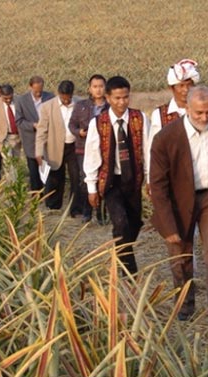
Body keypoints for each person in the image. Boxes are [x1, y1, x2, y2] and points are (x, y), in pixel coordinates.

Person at [150, 86, 208, 333]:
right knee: (179, 253)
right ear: (186, 109)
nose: (205, 118)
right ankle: (185, 305)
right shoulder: (165, 138)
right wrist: (167, 225)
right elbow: (158, 187)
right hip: (178, 200)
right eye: (199, 113)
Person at [84, 76, 148, 275]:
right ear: (108, 98)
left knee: (134, 222)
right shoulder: (99, 123)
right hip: (111, 182)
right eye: (117, 98)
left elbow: (148, 149)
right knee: (120, 222)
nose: (122, 102)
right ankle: (129, 272)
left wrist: (150, 178)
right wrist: (91, 188)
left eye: (126, 98)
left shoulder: (140, 119)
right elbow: (92, 155)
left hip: (134, 180)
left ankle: (119, 250)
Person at [35, 80, 81, 214]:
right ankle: (53, 207)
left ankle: (75, 208)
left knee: (76, 178)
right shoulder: (47, 107)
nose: (66, 101)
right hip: (54, 147)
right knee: (55, 177)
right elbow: (41, 131)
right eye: (63, 98)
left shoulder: (79, 103)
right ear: (58, 93)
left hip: (74, 146)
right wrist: (39, 152)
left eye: (69, 98)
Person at [68, 74, 108, 224]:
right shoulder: (81, 106)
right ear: (89, 89)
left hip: (105, 149)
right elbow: (72, 124)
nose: (98, 90)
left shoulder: (110, 106)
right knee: (86, 180)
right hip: (83, 149)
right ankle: (87, 211)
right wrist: (79, 132)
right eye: (95, 87)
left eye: (101, 86)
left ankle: (101, 213)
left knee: (102, 181)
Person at [147, 59, 200, 148]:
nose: (186, 90)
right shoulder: (159, 115)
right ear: (172, 88)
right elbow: (153, 149)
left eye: (189, 85)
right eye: (181, 86)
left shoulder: (201, 112)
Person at [15, 76, 55, 193]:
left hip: (47, 139)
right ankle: (36, 194)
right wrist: (32, 125)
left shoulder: (50, 98)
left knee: (47, 167)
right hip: (30, 139)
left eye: (40, 91)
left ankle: (48, 192)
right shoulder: (22, 101)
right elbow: (19, 121)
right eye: (36, 91)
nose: (38, 93)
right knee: (33, 169)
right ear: (30, 87)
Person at [0, 84, 21, 184]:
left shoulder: (19, 100)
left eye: (10, 98)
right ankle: (12, 185)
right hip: (3, 138)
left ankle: (16, 183)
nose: (8, 100)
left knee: (16, 161)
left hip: (17, 137)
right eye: (6, 98)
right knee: (8, 161)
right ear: (1, 96)